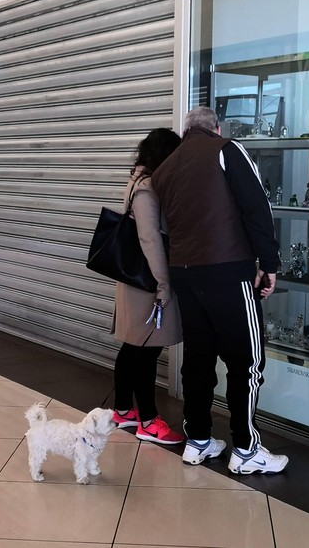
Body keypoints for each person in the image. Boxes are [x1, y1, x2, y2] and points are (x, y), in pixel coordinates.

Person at [151, 107, 288, 474]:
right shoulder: (227, 150)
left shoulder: (165, 168)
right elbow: (256, 207)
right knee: (247, 361)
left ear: (186, 131)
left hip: (185, 273)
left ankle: (197, 440)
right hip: (228, 272)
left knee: (199, 358)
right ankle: (245, 449)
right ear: (216, 127)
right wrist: (269, 264)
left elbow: (167, 226)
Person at [111, 128, 185, 445]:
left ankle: (124, 410)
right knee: (147, 349)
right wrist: (164, 283)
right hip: (147, 282)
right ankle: (149, 421)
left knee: (132, 346)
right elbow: (149, 238)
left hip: (137, 279)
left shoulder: (140, 181)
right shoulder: (147, 188)